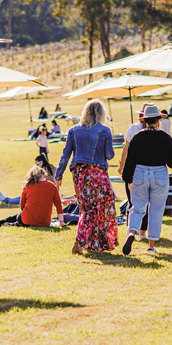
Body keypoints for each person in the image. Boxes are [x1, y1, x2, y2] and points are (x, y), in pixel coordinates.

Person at [55, 99, 118, 254]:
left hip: (79, 173)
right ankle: (83, 241)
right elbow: (109, 155)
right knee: (101, 207)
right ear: (101, 113)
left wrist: (58, 174)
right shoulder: (104, 131)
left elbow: (65, 155)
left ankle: (92, 243)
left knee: (86, 207)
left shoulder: (74, 130)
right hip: (97, 173)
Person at [121, 105, 172, 255]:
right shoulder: (166, 138)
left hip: (140, 173)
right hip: (160, 174)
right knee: (156, 210)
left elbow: (129, 161)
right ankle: (151, 246)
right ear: (158, 120)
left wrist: (128, 179)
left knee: (137, 207)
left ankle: (131, 232)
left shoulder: (137, 137)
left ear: (145, 120)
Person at [0, 166, 65, 228]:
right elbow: (58, 205)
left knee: (18, 216)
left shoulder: (28, 186)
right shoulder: (52, 186)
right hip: (44, 222)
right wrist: (61, 222)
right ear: (43, 175)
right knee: (19, 216)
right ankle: (6, 223)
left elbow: (22, 206)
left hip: (27, 220)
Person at [118, 103, 151, 238]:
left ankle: (130, 229)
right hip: (148, 169)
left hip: (132, 169)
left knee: (132, 201)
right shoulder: (155, 130)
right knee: (146, 202)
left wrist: (121, 166)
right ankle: (143, 232)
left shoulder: (133, 128)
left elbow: (125, 149)